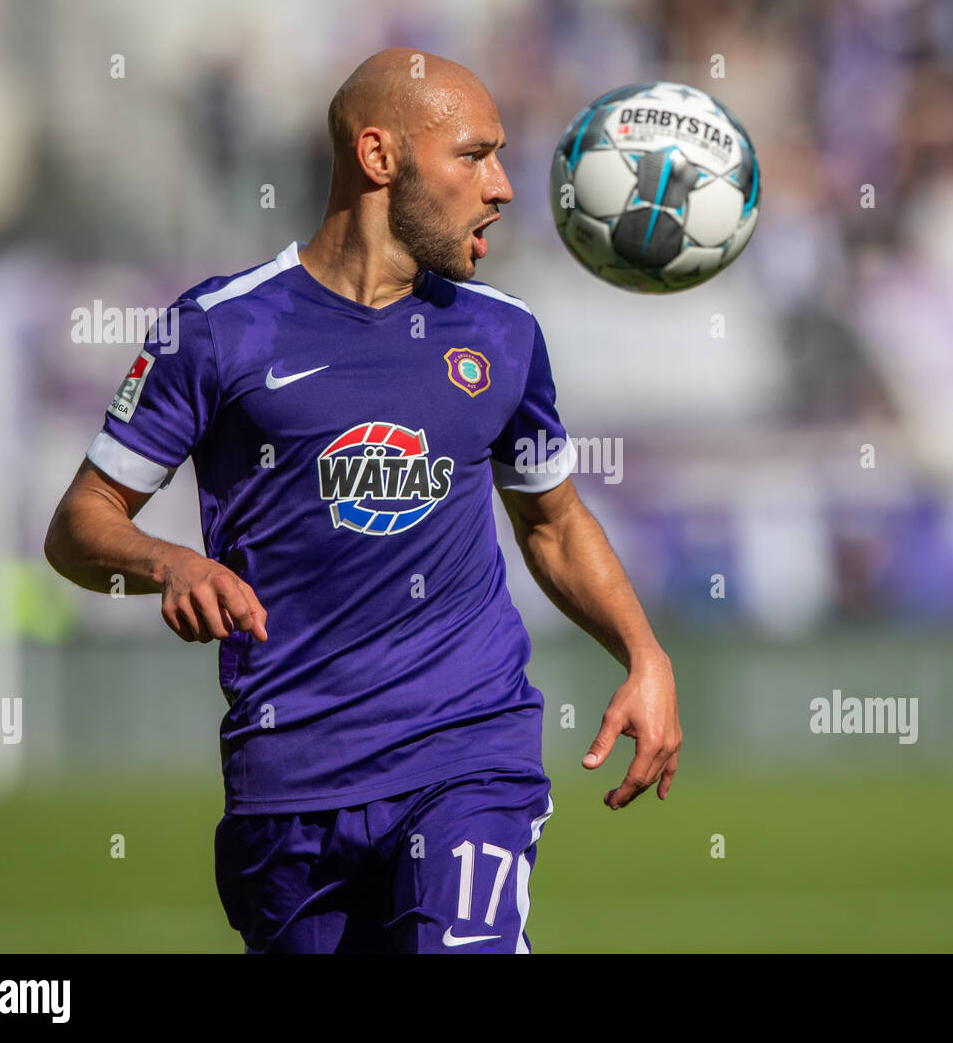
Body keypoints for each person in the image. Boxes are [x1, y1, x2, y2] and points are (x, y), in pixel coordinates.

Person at [43, 48, 681, 953]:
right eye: (474, 155)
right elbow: (80, 525)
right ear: (380, 158)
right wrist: (168, 560)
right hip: (290, 779)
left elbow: (554, 521)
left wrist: (644, 654)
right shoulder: (221, 328)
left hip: (469, 751)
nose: (502, 185)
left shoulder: (502, 333)